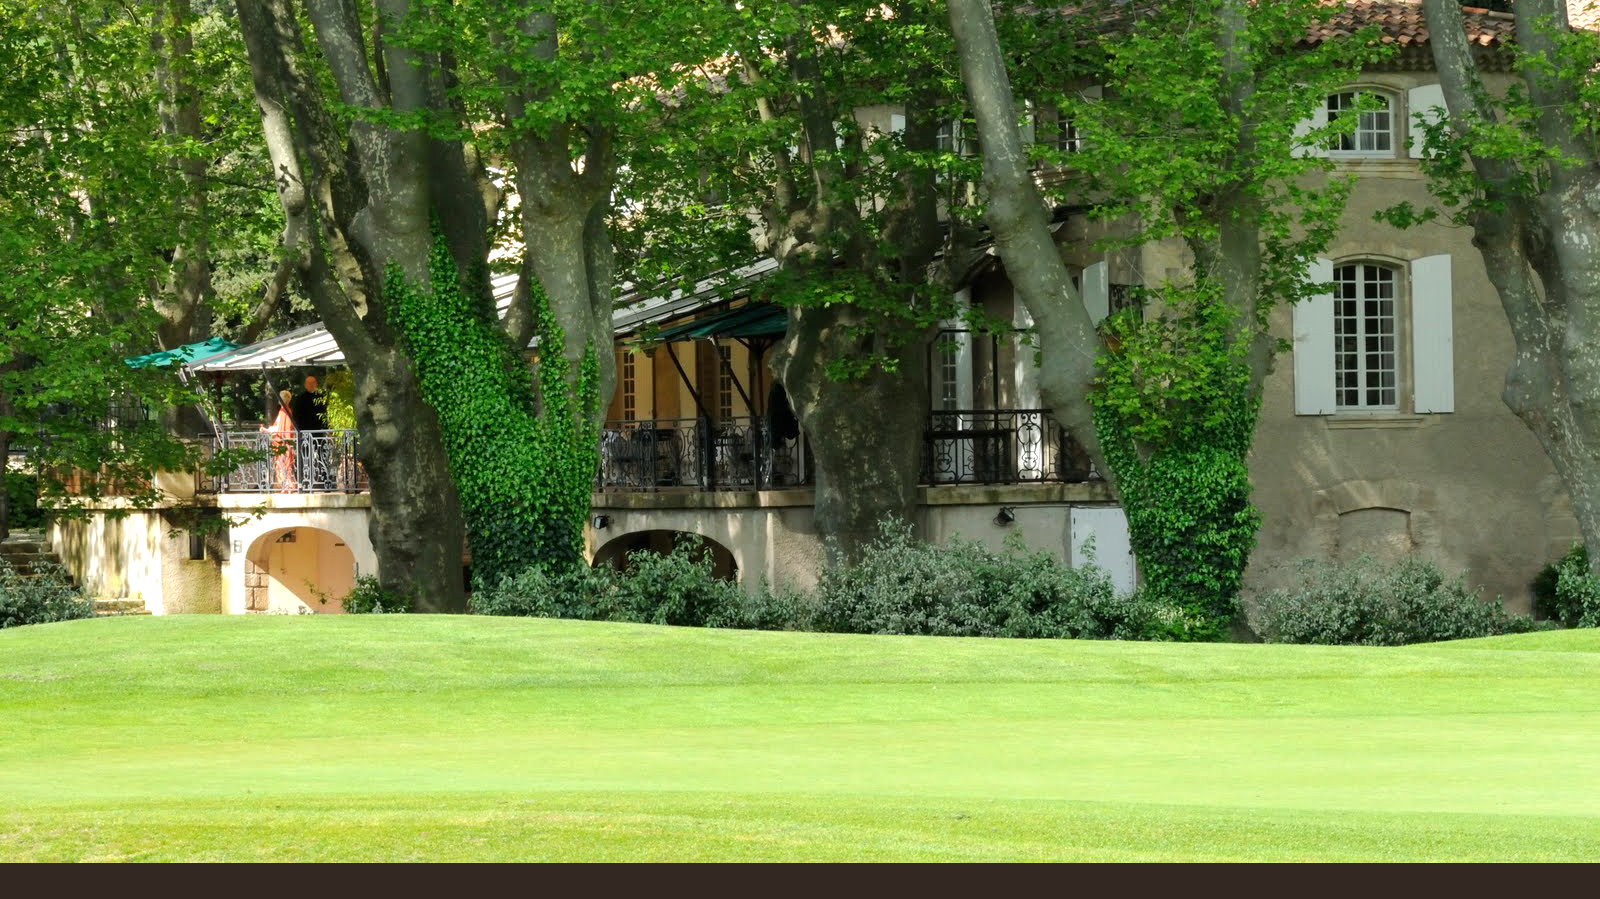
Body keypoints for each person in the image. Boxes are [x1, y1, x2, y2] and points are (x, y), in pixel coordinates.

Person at [262, 389, 297, 492]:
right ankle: (287, 486)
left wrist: (267, 430)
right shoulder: (286, 411)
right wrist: (267, 430)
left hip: (283, 442)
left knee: (282, 464)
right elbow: (279, 427)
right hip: (285, 442)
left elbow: (279, 428)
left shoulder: (284, 411)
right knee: (284, 464)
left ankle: (287, 487)